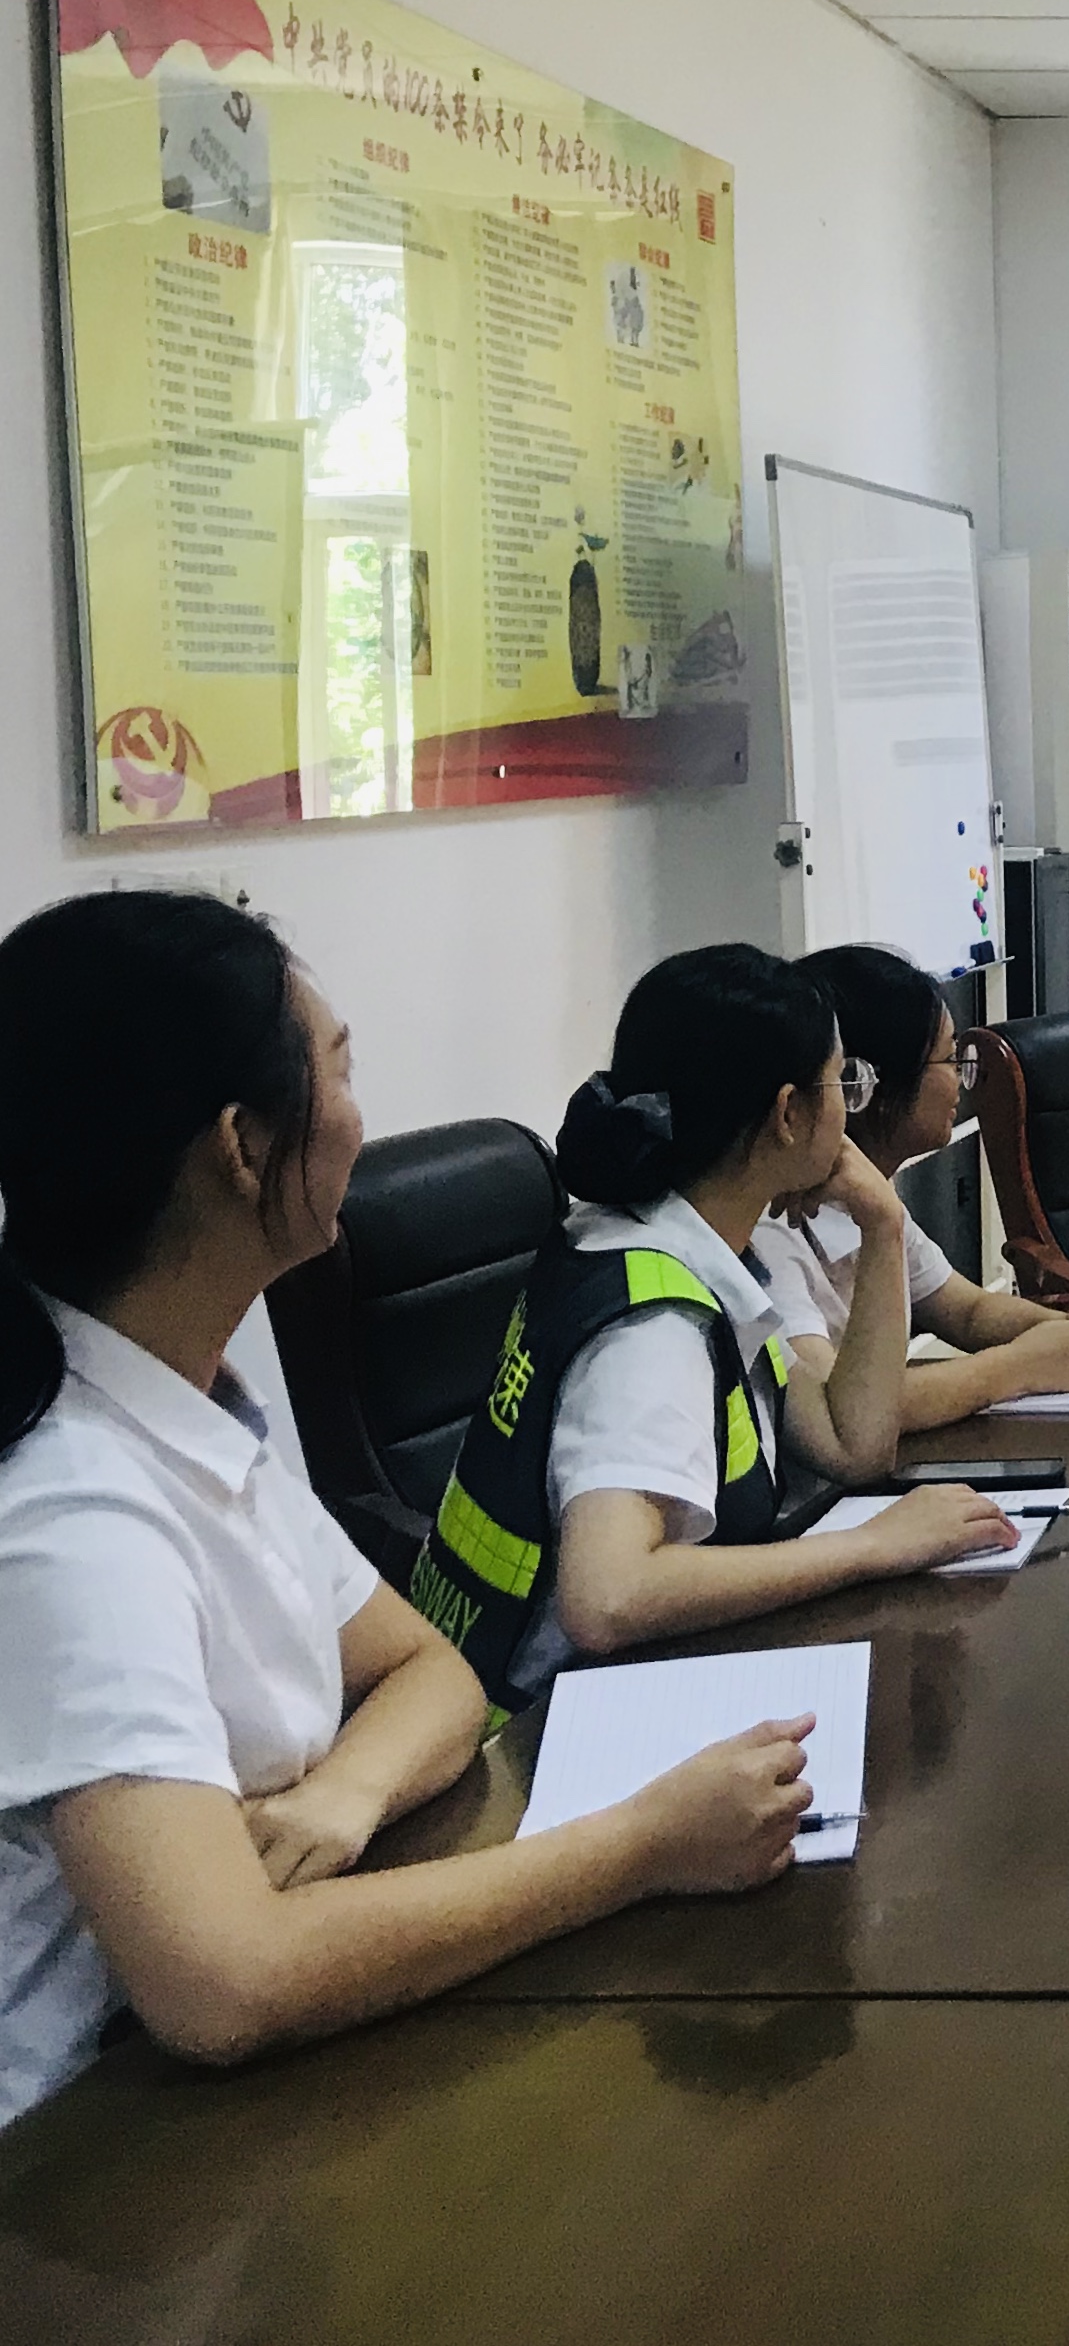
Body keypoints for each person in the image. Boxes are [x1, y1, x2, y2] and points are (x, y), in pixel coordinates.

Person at [0, 893, 810, 2131]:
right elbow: (223, 1984)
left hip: (244, 2088)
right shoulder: (72, 1518)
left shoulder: (179, 1405)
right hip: (91, 2148)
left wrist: (346, 1796)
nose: (356, 1115)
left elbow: (428, 1669)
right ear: (242, 1146)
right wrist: (643, 1845)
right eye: (338, 1071)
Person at [406, 947, 1013, 1712]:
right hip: (544, 1729)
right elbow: (608, 1597)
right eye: (841, 1084)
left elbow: (852, 1445)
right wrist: (872, 1547)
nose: (850, 1111)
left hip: (624, 1682)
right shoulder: (655, 1325)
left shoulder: (685, 1240)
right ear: (789, 1114)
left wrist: (883, 1223)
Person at [759, 946, 1069, 1422]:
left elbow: (966, 1311)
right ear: (865, 1084)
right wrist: (1019, 1366)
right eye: (950, 1059)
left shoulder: (868, 1195)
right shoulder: (771, 1227)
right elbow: (842, 1413)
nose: (960, 1080)